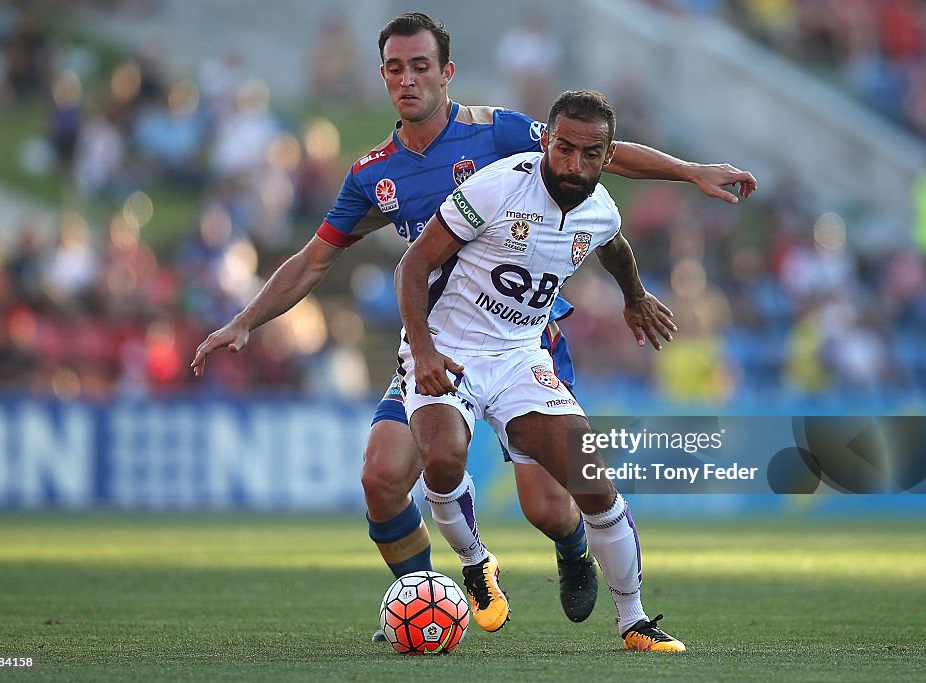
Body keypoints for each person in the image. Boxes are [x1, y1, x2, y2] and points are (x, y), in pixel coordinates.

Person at [190, 12, 755, 637]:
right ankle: (423, 599)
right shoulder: (372, 174)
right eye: (395, 68)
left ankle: (572, 549)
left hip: (525, 337)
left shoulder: (499, 133)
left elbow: (601, 156)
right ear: (382, 77)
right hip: (433, 340)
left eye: (420, 66)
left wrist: (689, 172)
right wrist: (246, 321)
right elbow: (315, 259)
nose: (408, 79)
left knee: (547, 505)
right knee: (383, 476)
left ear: (446, 72)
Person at [394, 89, 685, 651]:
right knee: (443, 455)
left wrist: (635, 295)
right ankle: (476, 562)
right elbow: (414, 264)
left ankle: (635, 621)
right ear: (546, 140)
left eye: (591, 154)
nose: (574, 165)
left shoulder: (600, 209)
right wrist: (425, 351)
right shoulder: (497, 187)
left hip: (521, 356)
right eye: (564, 148)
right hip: (448, 348)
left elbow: (613, 246)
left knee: (591, 484)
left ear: (607, 155)